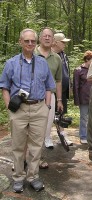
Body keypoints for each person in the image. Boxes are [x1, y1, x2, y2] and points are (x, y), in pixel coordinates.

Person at [0, 28, 55, 193]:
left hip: (39, 109)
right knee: (18, 146)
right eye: (27, 41)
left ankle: (33, 177)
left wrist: (47, 106)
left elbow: (49, 86)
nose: (30, 43)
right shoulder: (11, 63)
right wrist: (10, 107)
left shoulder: (43, 62)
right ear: (20, 42)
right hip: (19, 110)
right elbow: (5, 87)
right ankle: (18, 177)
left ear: (35, 43)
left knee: (36, 146)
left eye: (33, 41)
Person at [51, 32, 73, 146]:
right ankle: (46, 138)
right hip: (51, 92)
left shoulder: (64, 55)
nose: (65, 44)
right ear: (55, 42)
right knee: (49, 115)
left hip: (63, 91)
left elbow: (66, 72)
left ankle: (63, 136)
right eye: (63, 42)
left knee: (61, 113)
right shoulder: (49, 55)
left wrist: (69, 85)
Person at [73, 50, 92, 144]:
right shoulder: (78, 70)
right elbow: (75, 86)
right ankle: (83, 136)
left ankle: (91, 136)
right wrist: (77, 100)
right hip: (83, 98)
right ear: (87, 59)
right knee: (83, 118)